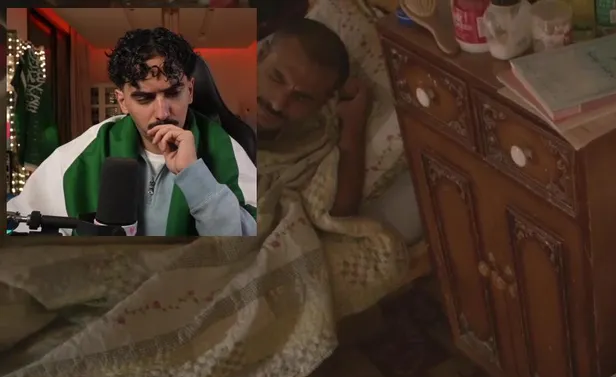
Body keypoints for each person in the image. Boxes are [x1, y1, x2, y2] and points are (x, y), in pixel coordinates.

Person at [6, 28, 256, 237]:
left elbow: (251, 248)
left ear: (190, 91)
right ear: (122, 101)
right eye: (144, 98)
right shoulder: (80, 156)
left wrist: (196, 178)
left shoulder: (228, 151)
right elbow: (18, 225)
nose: (162, 113)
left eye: (173, 93)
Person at [256, 18, 371, 218]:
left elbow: (337, 214)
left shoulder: (313, 137)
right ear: (260, 55)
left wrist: (353, 128)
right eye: (277, 78)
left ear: (322, 102)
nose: (278, 104)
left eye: (302, 97)